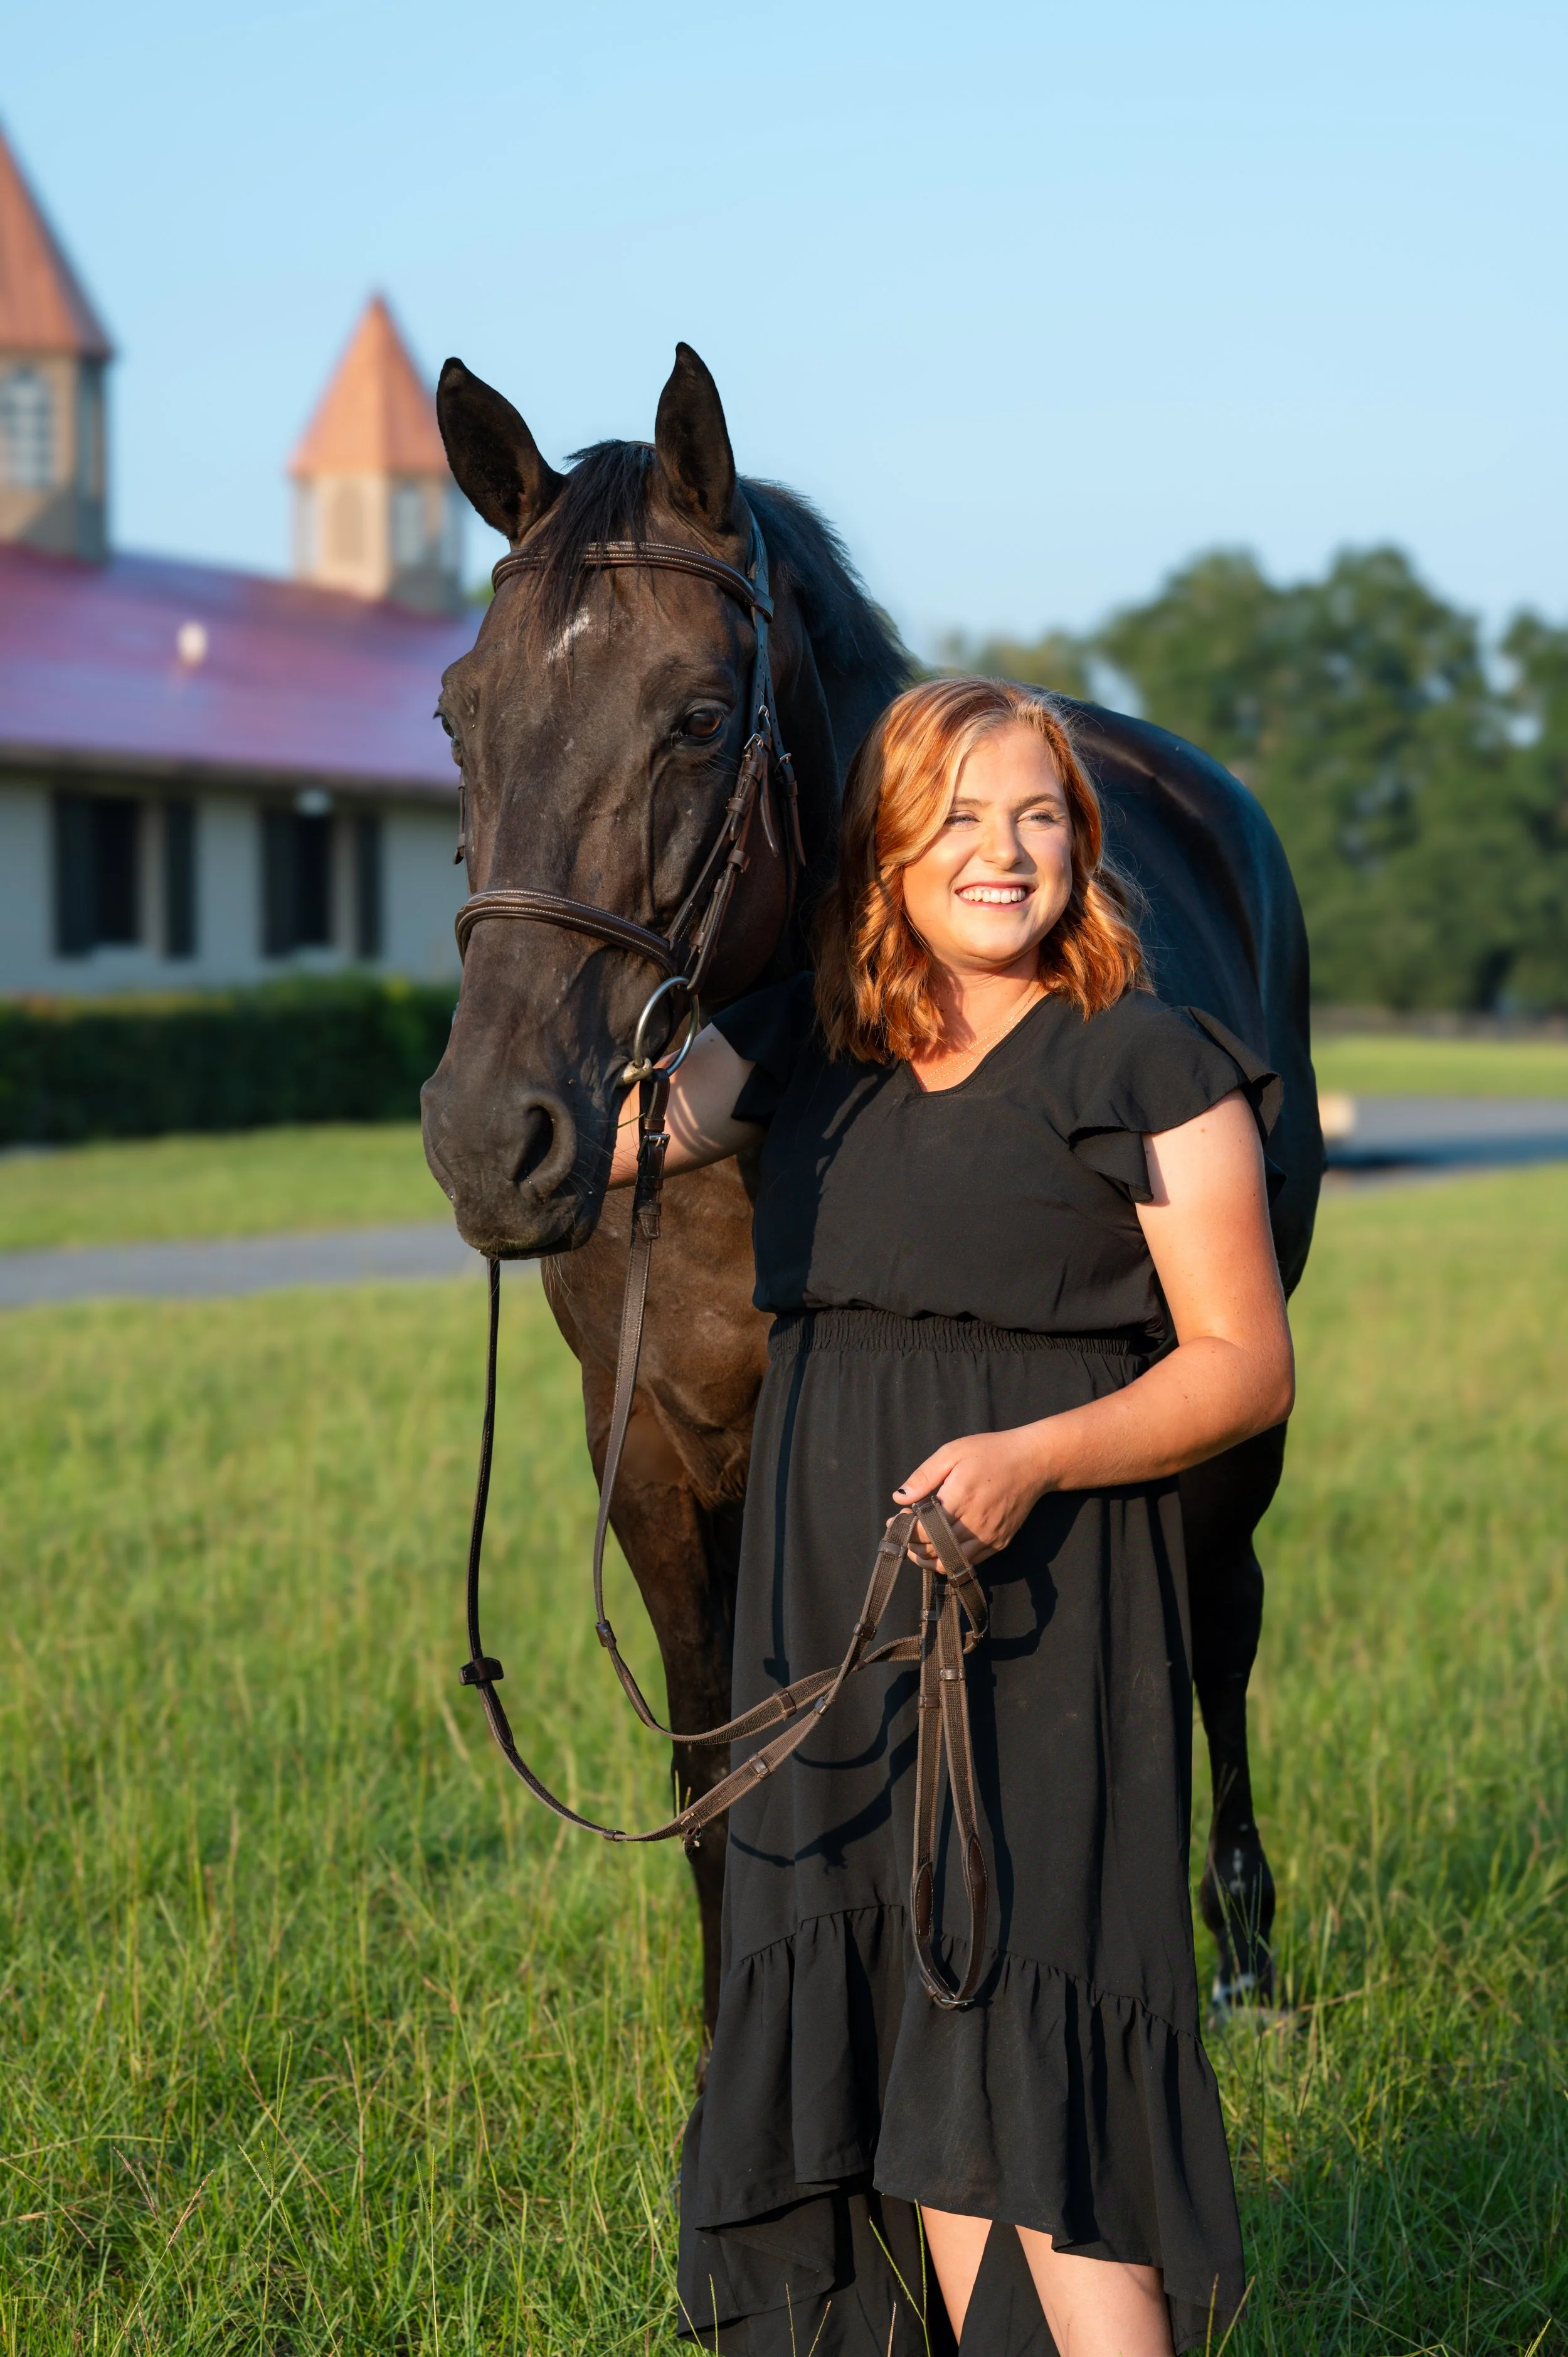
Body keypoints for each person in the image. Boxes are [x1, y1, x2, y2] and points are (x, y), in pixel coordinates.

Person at [608, 677, 1293, 2356]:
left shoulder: (1151, 1061)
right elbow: (593, 1146)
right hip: (830, 1593)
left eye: (1040, 815)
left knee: (1036, 2063)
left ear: (1082, 846)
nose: (1006, 852)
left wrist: (1033, 1457)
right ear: (886, 849)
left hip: (1042, 1600)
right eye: (961, 819)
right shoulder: (801, 1049)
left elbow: (1241, 1367)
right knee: (906, 2041)